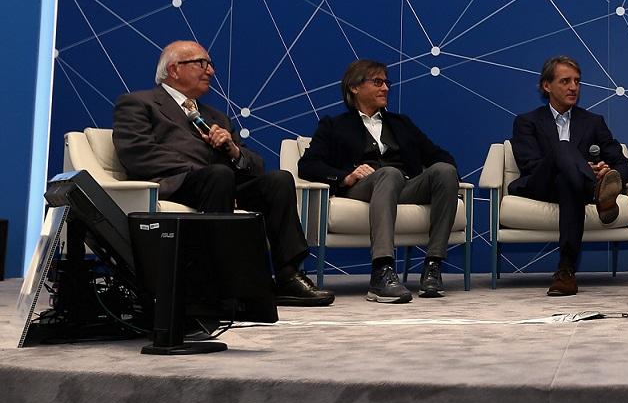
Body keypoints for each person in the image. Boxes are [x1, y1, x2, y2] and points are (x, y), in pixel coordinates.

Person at [112, 40, 333, 307]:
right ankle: (217, 281)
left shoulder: (215, 115)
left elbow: (256, 165)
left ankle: (288, 276)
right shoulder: (138, 103)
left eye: (211, 65)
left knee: (278, 180)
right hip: (176, 183)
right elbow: (138, 154)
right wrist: (205, 172)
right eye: (201, 63)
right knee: (218, 175)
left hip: (219, 182)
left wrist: (232, 150)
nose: (210, 71)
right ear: (173, 69)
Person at [299, 59, 461, 304]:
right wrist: (346, 176)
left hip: (405, 186)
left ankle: (432, 266)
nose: (385, 88)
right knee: (389, 173)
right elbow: (308, 165)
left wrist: (447, 181)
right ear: (354, 87)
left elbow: (439, 155)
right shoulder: (333, 125)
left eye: (387, 82)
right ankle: (382, 271)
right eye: (377, 82)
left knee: (445, 171)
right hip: (361, 188)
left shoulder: (401, 123)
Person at [509, 56, 628, 296]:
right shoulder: (527, 122)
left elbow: (624, 163)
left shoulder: (593, 122)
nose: (573, 87)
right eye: (565, 81)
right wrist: (586, 170)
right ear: (547, 86)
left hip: (572, 189)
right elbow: (530, 166)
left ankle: (565, 271)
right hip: (540, 185)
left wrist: (610, 173)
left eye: (577, 81)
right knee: (563, 148)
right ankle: (597, 190)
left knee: (569, 182)